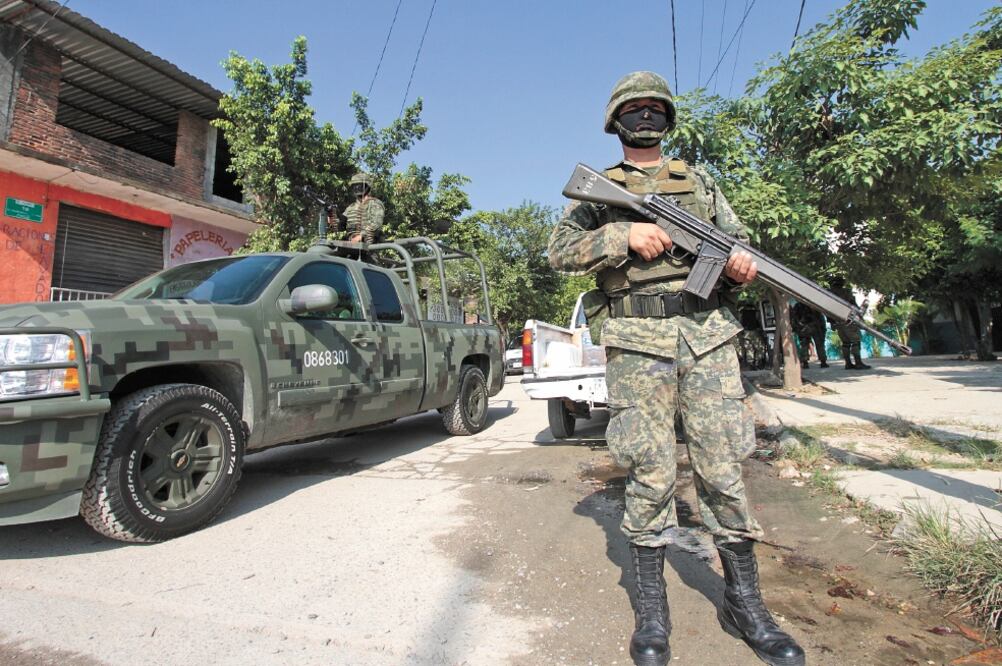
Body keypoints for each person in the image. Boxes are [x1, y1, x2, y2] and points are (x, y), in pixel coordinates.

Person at [548, 71, 804, 666]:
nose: (644, 117)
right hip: (638, 342)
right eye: (632, 110)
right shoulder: (599, 189)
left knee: (723, 466)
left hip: (708, 338)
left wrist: (741, 264)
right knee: (651, 469)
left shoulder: (701, 179)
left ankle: (746, 604)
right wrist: (621, 234)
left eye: (653, 108)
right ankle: (653, 616)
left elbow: (738, 244)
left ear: (667, 117)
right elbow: (558, 251)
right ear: (616, 122)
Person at [831, 282, 871, 370]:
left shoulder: (829, 295)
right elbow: (853, 304)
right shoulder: (846, 292)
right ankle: (858, 363)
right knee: (855, 342)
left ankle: (848, 364)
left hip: (838, 322)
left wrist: (832, 323)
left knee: (845, 343)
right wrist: (860, 316)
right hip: (849, 320)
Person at [339, 172, 384, 244]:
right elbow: (340, 227)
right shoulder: (350, 208)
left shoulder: (374, 203)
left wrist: (361, 235)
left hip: (369, 246)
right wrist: (332, 218)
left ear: (367, 186)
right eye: (355, 186)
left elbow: (376, 224)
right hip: (351, 244)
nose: (357, 188)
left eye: (359, 186)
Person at [792, 302, 829, 369]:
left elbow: (794, 318)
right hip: (813, 327)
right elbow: (820, 317)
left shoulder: (798, 305)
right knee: (819, 344)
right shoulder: (812, 303)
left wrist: (797, 328)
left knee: (805, 345)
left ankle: (805, 362)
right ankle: (823, 361)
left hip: (805, 328)